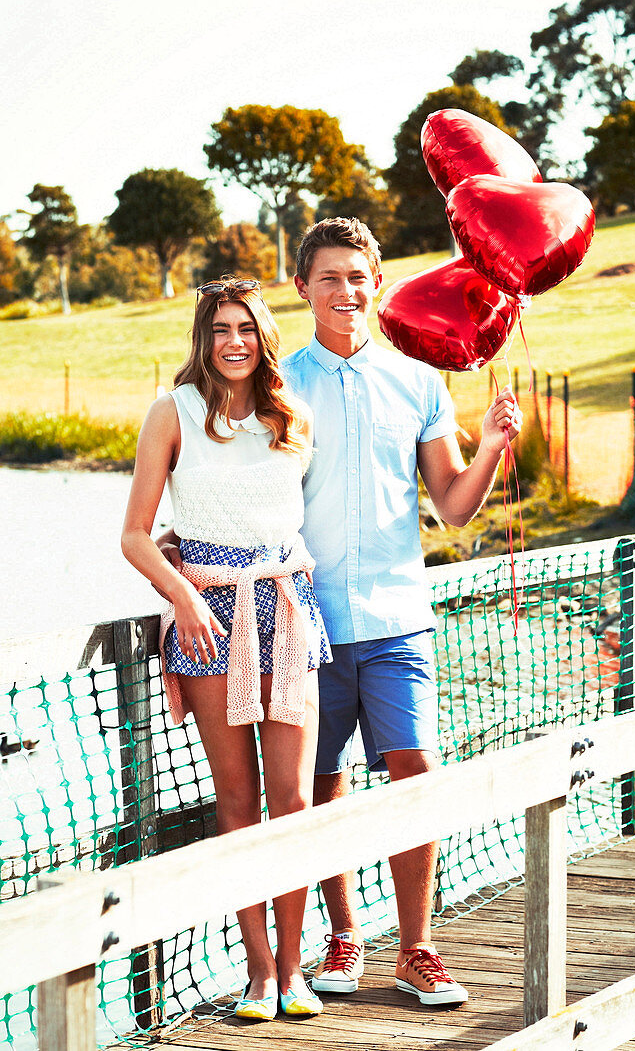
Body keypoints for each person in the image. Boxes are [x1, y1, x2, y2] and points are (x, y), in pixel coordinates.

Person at [284, 217, 522, 1007]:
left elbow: (453, 508)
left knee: (415, 777)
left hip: (397, 620)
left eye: (358, 277)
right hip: (307, 625)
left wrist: (488, 446)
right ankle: (344, 937)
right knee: (322, 786)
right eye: (328, 278)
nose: (345, 292)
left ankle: (416, 948)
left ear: (377, 283)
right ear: (301, 289)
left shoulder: (420, 383)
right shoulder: (277, 386)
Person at [121, 277, 331, 1022]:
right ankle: (260, 971)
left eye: (245, 328)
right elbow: (136, 535)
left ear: (262, 335)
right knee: (237, 802)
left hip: (285, 608)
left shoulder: (290, 416)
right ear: (202, 340)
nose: (234, 342)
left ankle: (298, 968)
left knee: (296, 803)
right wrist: (182, 598)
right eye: (219, 330)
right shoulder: (170, 412)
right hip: (205, 616)